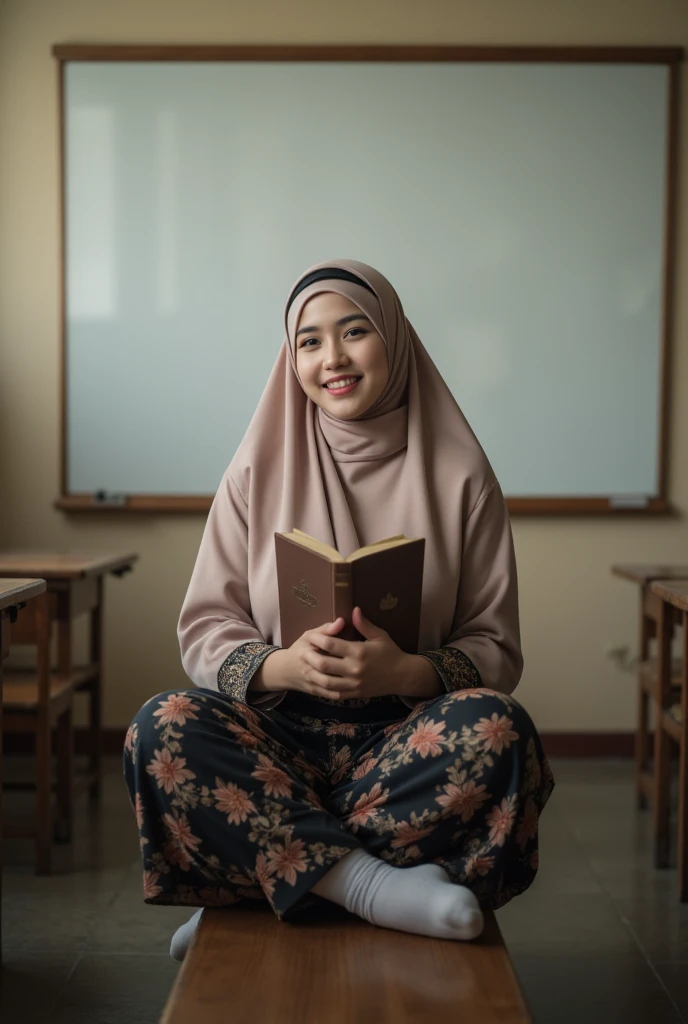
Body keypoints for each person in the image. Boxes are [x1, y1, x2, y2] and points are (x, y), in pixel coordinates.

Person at [123, 259, 554, 961]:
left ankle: (265, 883)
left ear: (395, 339)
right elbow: (207, 625)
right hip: (276, 739)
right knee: (163, 726)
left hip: (405, 742)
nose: (333, 359)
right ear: (291, 357)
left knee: (501, 732)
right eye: (310, 341)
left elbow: (494, 643)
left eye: (354, 332)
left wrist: (408, 672)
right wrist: (281, 665)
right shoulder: (254, 471)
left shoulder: (463, 475)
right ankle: (371, 888)